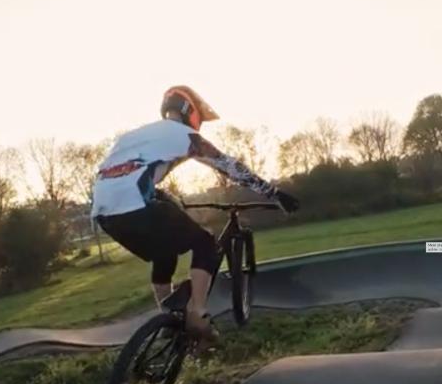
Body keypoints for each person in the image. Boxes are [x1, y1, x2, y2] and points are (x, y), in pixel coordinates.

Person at [91, 85, 299, 344]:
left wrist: (162, 196)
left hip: (105, 215)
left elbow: (127, 175)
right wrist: (274, 193)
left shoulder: (133, 137)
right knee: (205, 243)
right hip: (135, 207)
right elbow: (229, 166)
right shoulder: (183, 134)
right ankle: (197, 314)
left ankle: (167, 318)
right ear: (191, 111)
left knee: (163, 252)